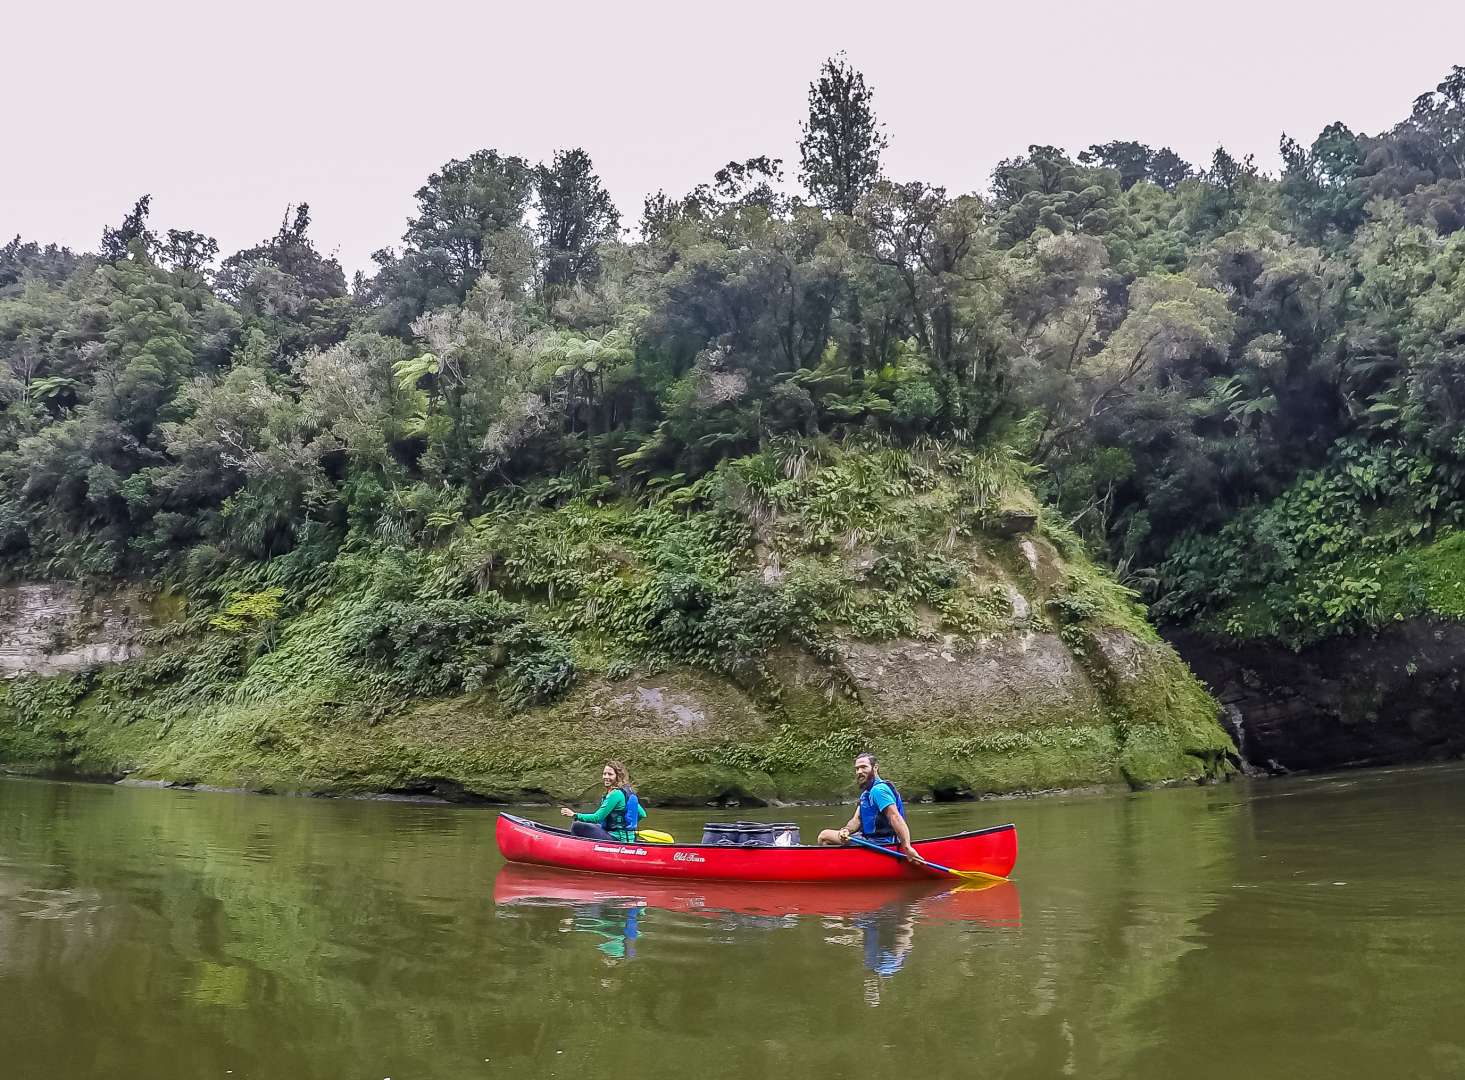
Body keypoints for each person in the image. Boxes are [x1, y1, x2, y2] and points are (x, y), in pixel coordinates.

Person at [817, 752, 924, 864]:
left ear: (875, 768)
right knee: (835, 835)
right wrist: (846, 830)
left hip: (883, 843)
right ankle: (847, 865)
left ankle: (837, 869)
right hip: (869, 839)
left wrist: (907, 847)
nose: (859, 772)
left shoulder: (878, 790)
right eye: (857, 768)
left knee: (824, 836)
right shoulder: (866, 793)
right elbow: (856, 820)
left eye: (864, 767)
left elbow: (895, 817)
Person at [560, 761, 642, 842]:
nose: (606, 777)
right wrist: (627, 827)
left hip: (617, 839)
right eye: (604, 774)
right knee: (595, 825)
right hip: (630, 838)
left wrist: (574, 815)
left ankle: (576, 849)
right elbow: (642, 814)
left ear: (618, 776)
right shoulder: (628, 792)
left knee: (577, 825)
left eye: (610, 774)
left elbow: (597, 818)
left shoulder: (615, 794)